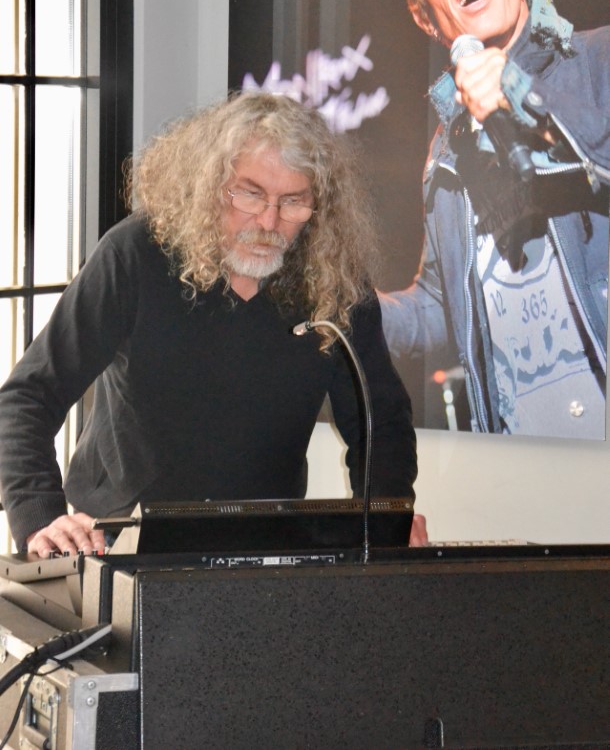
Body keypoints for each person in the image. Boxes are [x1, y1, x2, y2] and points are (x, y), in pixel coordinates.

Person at [0, 92, 426, 556]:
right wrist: (40, 516)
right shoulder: (134, 255)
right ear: (209, 184)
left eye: (293, 202)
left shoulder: (332, 279)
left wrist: (386, 518)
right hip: (119, 542)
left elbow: (380, 421)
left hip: (263, 549)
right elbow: (28, 397)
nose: (269, 221)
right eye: (250, 193)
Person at [379, 0, 610, 437]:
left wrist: (524, 102)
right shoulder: (447, 151)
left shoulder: (600, 63)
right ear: (424, 17)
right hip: (520, 464)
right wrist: (348, 309)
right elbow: (441, 305)